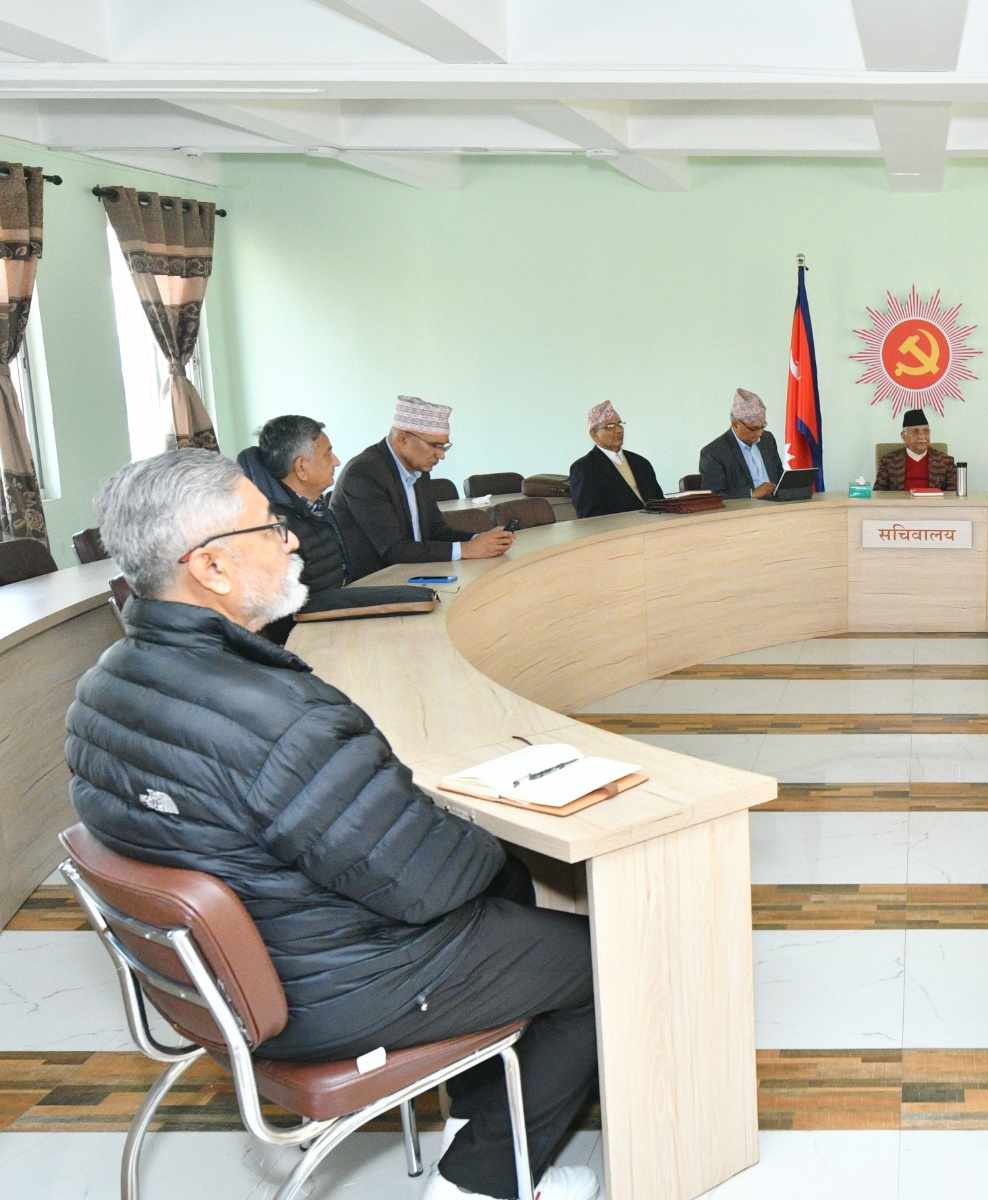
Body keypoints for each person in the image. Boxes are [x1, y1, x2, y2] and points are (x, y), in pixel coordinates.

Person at [65, 450, 599, 1200]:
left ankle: (475, 1111)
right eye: (269, 527)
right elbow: (427, 882)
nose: (291, 539)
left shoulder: (100, 685)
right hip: (329, 988)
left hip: (219, 977)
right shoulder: (279, 715)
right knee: (601, 962)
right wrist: (483, 828)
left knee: (503, 886)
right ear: (210, 567)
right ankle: (482, 1184)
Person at [332, 396, 514, 581]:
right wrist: (467, 549)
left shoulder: (419, 469)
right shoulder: (364, 473)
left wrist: (479, 540)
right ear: (403, 439)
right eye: (435, 445)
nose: (441, 455)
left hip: (414, 572)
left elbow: (436, 532)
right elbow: (393, 549)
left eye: (444, 447)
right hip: (373, 583)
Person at [235, 415, 349, 646]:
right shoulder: (272, 527)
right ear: (301, 467)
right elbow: (283, 619)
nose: (336, 461)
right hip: (304, 644)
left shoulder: (314, 506)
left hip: (334, 627)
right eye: (327, 454)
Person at [568, 400, 664, 517]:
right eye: (610, 426)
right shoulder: (583, 468)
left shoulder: (641, 463)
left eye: (619, 424)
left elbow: (660, 502)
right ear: (594, 434)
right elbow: (588, 516)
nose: (619, 430)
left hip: (657, 524)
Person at [698, 387, 784, 499]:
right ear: (735, 424)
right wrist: (751, 494)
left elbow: (780, 477)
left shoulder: (768, 439)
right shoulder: (713, 453)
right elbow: (714, 496)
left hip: (779, 506)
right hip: (745, 509)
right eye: (753, 428)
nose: (759, 433)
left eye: (762, 426)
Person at [874, 408, 957, 491]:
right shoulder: (888, 461)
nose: (922, 436)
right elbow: (878, 494)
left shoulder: (946, 461)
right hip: (900, 500)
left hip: (933, 500)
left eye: (926, 431)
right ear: (904, 436)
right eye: (915, 432)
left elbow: (953, 495)